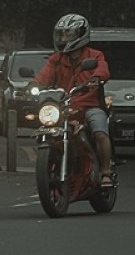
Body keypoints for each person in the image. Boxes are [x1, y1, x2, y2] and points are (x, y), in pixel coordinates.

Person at [31, 13, 114, 187]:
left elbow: (103, 70)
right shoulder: (56, 59)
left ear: (81, 34)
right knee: (46, 130)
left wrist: (96, 78)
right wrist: (33, 84)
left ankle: (106, 172)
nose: (63, 38)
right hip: (63, 107)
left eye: (68, 34)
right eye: (61, 34)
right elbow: (44, 76)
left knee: (99, 132)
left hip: (89, 106)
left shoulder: (95, 55)